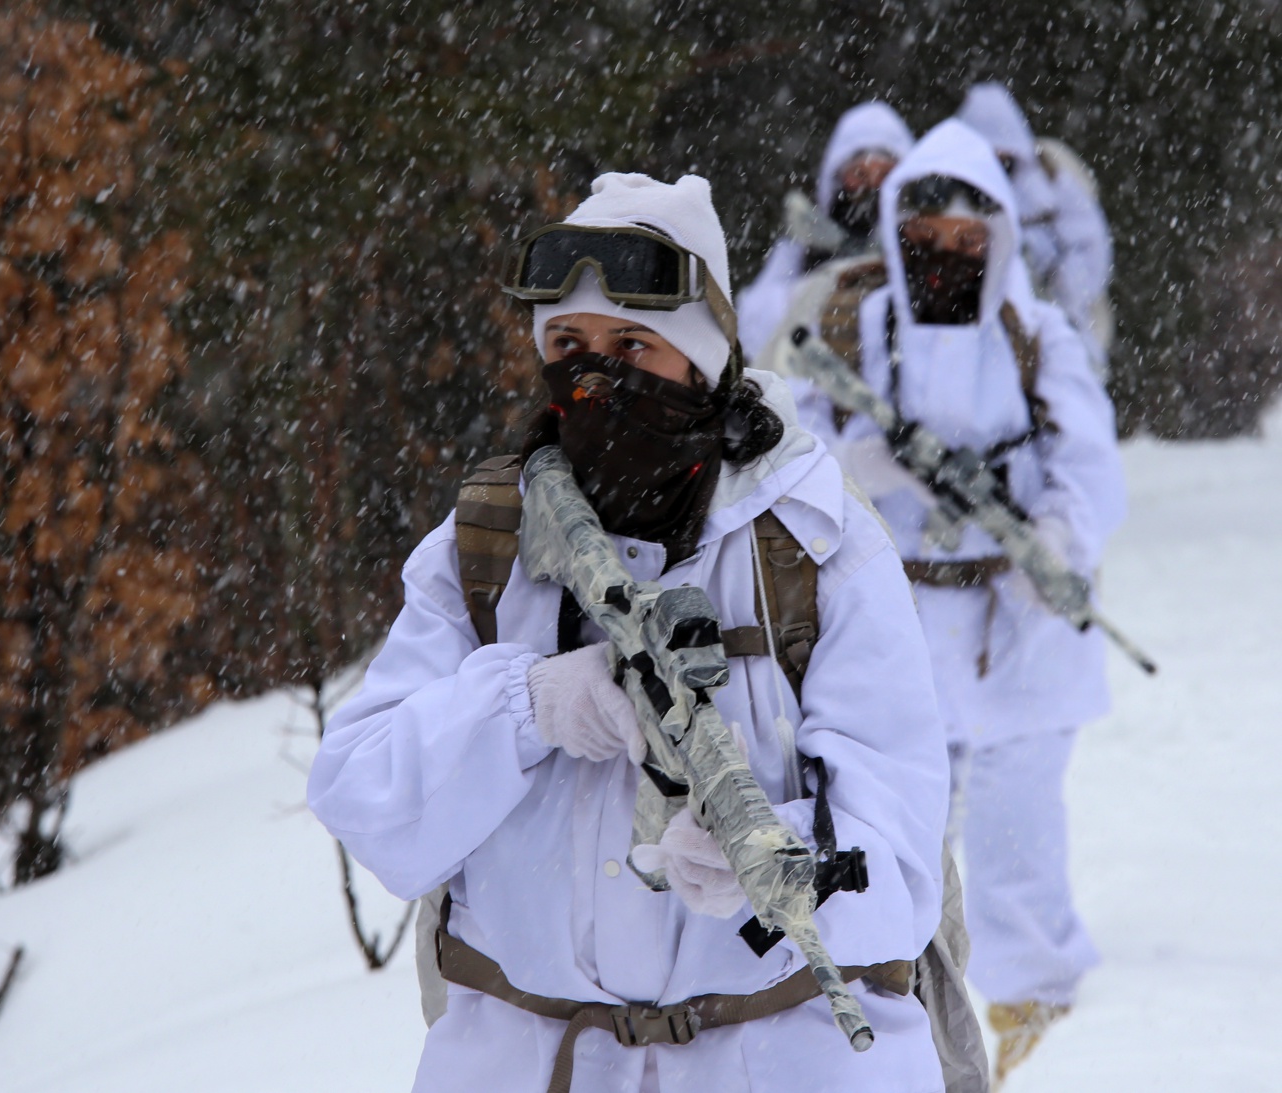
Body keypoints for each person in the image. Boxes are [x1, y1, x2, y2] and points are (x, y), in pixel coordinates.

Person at [308, 172, 953, 1093]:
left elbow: (899, 871)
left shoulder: (817, 548)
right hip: (529, 1060)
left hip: (779, 1058)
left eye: (633, 344)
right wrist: (528, 705)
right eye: (567, 343)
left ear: (701, 359)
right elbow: (365, 798)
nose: (596, 373)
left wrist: (775, 859)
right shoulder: (488, 544)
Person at [787, 121, 1126, 1084]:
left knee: (1018, 832)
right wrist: (863, 462)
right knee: (895, 834)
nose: (949, 260)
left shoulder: (1036, 331)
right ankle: (903, 1017)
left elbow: (1089, 467)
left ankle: (1042, 1010)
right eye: (929, 240)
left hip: (1016, 625)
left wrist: (1051, 539)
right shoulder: (856, 325)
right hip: (893, 621)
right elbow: (792, 455)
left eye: (971, 245)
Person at [737, 101, 914, 363]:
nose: (872, 186)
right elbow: (751, 320)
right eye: (859, 173)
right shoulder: (804, 242)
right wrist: (815, 295)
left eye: (884, 174)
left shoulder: (916, 239)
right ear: (838, 175)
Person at [956, 82, 1114, 374]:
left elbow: (1091, 243)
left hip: (1053, 314)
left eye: (1004, 155)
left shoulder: (1048, 183)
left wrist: (1060, 284)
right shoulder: (954, 195)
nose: (998, 163)